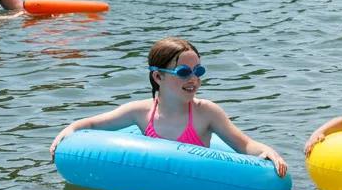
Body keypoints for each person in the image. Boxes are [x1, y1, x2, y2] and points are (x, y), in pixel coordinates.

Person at [49, 36, 288, 175]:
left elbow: (243, 144)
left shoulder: (206, 113)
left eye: (198, 71)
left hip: (198, 185)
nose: (193, 79)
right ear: (158, 77)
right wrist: (71, 130)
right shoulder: (140, 112)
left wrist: (267, 152)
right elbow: (94, 124)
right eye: (183, 72)